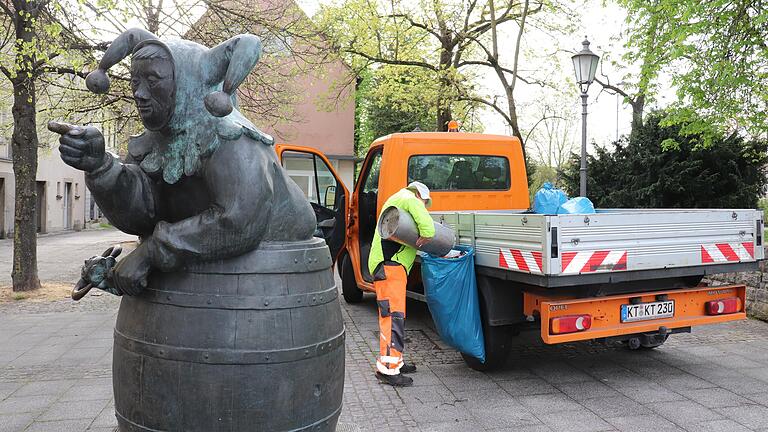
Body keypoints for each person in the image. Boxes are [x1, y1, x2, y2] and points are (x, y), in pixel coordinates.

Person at [369, 181, 435, 386]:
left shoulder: (396, 199)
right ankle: (388, 370)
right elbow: (429, 228)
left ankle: (395, 361)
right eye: (425, 202)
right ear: (419, 195)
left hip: (387, 266)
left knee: (395, 315)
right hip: (390, 267)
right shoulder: (410, 199)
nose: (424, 205)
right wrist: (426, 235)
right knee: (393, 317)